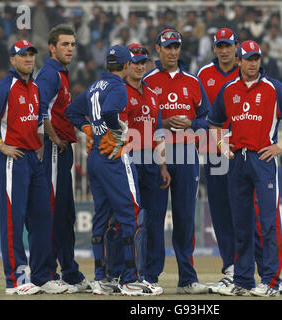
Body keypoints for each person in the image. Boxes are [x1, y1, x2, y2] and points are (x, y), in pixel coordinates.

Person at [208, 40, 282, 297]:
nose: (253, 63)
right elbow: (214, 122)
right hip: (237, 161)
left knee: (268, 222)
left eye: (256, 58)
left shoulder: (274, 87)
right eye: (248, 59)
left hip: (263, 159)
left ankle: (272, 281)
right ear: (239, 61)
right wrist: (221, 145)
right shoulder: (228, 89)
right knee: (240, 223)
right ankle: (243, 280)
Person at [65, 44, 163, 296]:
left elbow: (71, 111)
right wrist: (118, 133)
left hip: (97, 157)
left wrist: (88, 129)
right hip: (117, 156)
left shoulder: (95, 86)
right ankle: (130, 279)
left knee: (102, 217)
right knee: (131, 214)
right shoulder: (118, 86)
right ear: (126, 65)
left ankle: (101, 278)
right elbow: (110, 112)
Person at [0, 40, 68, 295]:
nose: (28, 59)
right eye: (22, 55)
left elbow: (38, 119)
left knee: (42, 218)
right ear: (12, 61)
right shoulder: (6, 86)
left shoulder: (35, 88)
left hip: (32, 159)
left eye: (30, 55)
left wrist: (39, 143)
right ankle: (15, 280)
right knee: (13, 221)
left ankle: (41, 275)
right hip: (11, 159)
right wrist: (1, 146)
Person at [143, 28, 210, 294]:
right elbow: (140, 117)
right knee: (154, 218)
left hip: (186, 154)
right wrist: (163, 122)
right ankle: (151, 276)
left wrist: (192, 123)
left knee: (184, 217)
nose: (172, 52)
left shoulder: (193, 81)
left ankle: (187, 279)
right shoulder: (146, 80)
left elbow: (208, 119)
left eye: (176, 47)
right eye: (167, 47)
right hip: (156, 153)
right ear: (157, 49)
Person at [34, 24, 91, 293]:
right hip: (54, 151)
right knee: (53, 212)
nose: (70, 48)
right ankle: (45, 275)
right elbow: (39, 108)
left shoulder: (61, 74)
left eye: (73, 44)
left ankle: (69, 272)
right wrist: (54, 138)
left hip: (62, 151)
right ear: (52, 47)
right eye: (65, 44)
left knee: (65, 214)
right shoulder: (49, 74)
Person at [196, 27, 239, 293]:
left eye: (228, 45)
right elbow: (201, 114)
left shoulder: (246, 68)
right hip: (214, 151)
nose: (224, 50)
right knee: (221, 210)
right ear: (214, 48)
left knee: (244, 210)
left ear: (236, 46)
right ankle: (231, 268)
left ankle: (249, 267)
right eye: (220, 46)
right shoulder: (203, 74)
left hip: (243, 149)